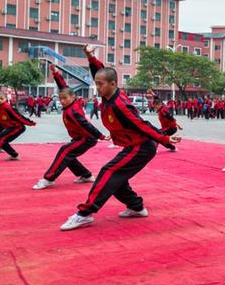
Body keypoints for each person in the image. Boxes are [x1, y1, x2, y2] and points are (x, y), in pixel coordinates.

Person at [59, 45, 181, 231]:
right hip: (131, 146)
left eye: (100, 84)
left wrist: (164, 139)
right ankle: (136, 207)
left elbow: (141, 124)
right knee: (117, 178)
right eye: (97, 83)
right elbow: (101, 73)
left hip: (141, 147)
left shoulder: (120, 104)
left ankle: (85, 214)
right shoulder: (108, 95)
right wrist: (90, 57)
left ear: (113, 84)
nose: (97, 86)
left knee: (109, 172)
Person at [32, 65, 107, 190]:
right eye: (60, 98)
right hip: (79, 137)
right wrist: (56, 73)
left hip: (87, 138)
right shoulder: (71, 103)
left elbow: (86, 125)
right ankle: (86, 175)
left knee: (65, 151)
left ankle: (48, 179)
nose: (62, 101)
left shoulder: (74, 111)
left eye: (65, 98)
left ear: (73, 98)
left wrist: (101, 136)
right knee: (68, 156)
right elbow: (64, 87)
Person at [0, 90, 36, 162]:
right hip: (5, 125)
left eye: (1, 99)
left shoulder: (7, 107)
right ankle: (14, 155)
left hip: (17, 127)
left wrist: (30, 122)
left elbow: (18, 116)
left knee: (0, 138)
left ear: (5, 99)